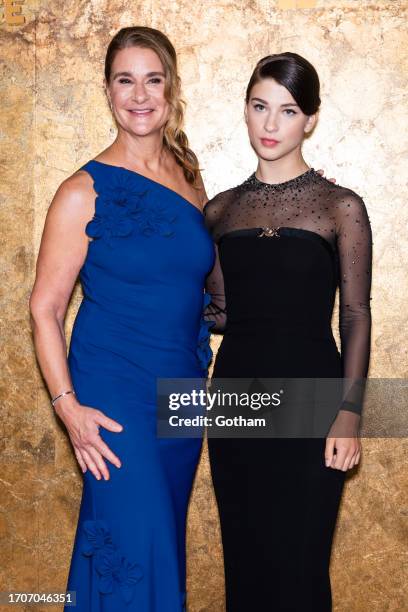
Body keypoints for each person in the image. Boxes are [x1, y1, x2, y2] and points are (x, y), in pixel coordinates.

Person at [29, 26, 214, 611]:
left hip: (183, 396)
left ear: (171, 89)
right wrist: (67, 407)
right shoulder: (82, 191)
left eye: (152, 80)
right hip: (114, 399)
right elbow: (45, 307)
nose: (140, 95)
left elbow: (206, 290)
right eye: (125, 80)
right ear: (107, 91)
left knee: (160, 551)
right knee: (138, 545)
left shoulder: (191, 180)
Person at [203, 52, 372, 611]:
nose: (271, 125)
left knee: (300, 569)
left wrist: (349, 413)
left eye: (288, 110)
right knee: (245, 564)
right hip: (235, 401)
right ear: (245, 111)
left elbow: (355, 316)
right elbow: (222, 312)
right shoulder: (220, 210)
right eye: (259, 107)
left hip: (312, 404)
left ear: (311, 119)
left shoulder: (339, 206)